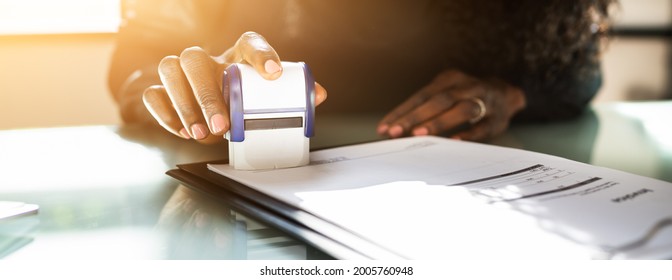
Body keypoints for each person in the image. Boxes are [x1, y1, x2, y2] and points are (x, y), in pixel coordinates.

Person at [108, 0, 614, 143]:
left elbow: (577, 65)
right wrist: (187, 92)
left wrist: (512, 92)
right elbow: (139, 61)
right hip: (245, 188)